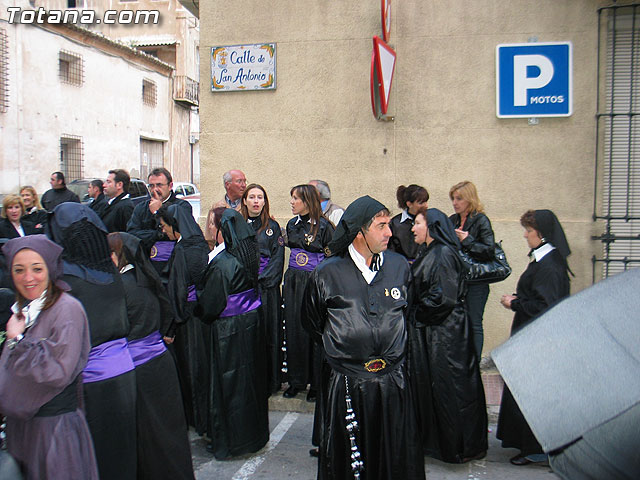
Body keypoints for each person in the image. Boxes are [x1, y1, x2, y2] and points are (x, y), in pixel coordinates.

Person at [302, 195, 425, 480]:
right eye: (381, 226)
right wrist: (347, 348)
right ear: (359, 232)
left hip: (393, 382)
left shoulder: (399, 267)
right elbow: (312, 323)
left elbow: (410, 312)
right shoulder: (326, 274)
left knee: (394, 458)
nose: (390, 233)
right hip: (346, 384)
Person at [47, 203, 136, 480]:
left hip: (89, 380)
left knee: (92, 456)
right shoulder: (111, 275)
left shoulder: (64, 282)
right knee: (122, 449)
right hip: (124, 375)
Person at [0, 235, 98, 480]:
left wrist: (18, 342)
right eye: (19, 270)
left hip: (53, 431)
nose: (28, 278)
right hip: (23, 429)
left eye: (37, 268)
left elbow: (57, 371)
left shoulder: (67, 309)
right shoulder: (24, 310)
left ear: (51, 269)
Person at [107, 232, 195, 480]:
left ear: (116, 256)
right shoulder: (144, 279)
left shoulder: (121, 287)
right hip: (159, 361)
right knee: (166, 432)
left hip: (137, 367)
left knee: (148, 434)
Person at [408, 208, 488, 463]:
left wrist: (415, 314)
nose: (412, 228)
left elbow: (443, 298)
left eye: (417, 223)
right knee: (439, 389)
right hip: (437, 332)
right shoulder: (431, 251)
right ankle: (443, 443)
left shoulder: (442, 253)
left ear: (431, 227)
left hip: (446, 335)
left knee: (451, 389)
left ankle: (459, 446)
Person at [497, 209, 571, 467]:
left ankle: (535, 448)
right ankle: (530, 445)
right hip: (534, 338)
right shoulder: (545, 261)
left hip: (539, 341)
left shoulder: (549, 265)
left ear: (541, 234)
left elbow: (544, 305)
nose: (526, 236)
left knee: (533, 395)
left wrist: (515, 303)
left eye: (529, 231)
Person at [195, 209, 269, 459]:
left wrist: (199, 305)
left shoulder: (224, 263)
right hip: (250, 325)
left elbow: (210, 304)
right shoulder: (247, 255)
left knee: (228, 386)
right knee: (249, 384)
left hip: (229, 331)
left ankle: (229, 442)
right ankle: (252, 437)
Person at [156, 203, 210, 434]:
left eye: (164, 226)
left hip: (186, 320)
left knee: (191, 371)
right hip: (202, 315)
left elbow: (177, 291)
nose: (163, 231)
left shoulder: (182, 250)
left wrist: (170, 328)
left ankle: (195, 418)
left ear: (174, 225)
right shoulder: (200, 245)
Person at [282, 184, 334, 400]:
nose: (292, 202)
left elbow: (332, 258)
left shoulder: (324, 227)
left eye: (296, 198)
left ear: (307, 201)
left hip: (313, 282)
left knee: (313, 332)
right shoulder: (292, 224)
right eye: (292, 198)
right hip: (294, 281)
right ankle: (296, 380)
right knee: (294, 330)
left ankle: (315, 383)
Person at [241, 183, 285, 394]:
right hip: (244, 290)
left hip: (266, 291)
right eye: (252, 197)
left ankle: (271, 381)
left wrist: (262, 280)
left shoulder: (272, 227)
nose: (256, 201)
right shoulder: (236, 225)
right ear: (245, 201)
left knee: (269, 334)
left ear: (265, 202)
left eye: (260, 197)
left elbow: (277, 259)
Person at [448, 181, 495, 359]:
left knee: (474, 322)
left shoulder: (481, 219)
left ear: (469, 199)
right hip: (458, 281)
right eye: (453, 198)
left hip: (476, 282)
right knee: (458, 322)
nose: (455, 202)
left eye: (459, 198)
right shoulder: (453, 220)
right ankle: (462, 361)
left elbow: (489, 250)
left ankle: (474, 363)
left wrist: (467, 240)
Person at [126, 167, 192, 269]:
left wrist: (158, 212)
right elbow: (132, 234)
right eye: (151, 186)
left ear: (170, 186)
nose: (154, 189)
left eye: (159, 185)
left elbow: (177, 234)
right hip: (145, 264)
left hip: (171, 265)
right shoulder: (140, 208)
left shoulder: (182, 207)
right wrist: (157, 234)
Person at [388, 184, 429, 262]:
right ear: (409, 204)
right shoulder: (394, 224)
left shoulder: (430, 221)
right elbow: (390, 251)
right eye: (421, 203)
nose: (426, 206)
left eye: (426, 201)